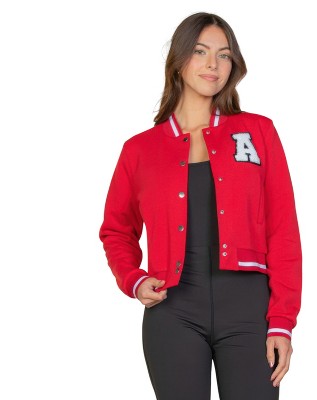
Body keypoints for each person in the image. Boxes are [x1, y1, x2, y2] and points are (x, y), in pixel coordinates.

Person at [99, 11, 302, 400]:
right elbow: (116, 230)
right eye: (200, 51)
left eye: (224, 55)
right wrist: (133, 279)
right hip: (172, 312)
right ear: (178, 59)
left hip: (249, 312)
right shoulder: (139, 150)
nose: (213, 64)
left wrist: (282, 321)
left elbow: (283, 231)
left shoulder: (258, 132)